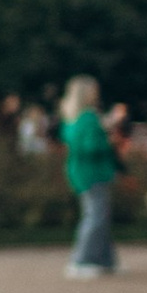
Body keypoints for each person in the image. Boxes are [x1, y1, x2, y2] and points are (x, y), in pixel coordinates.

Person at [60, 75, 121, 275]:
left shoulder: (71, 117)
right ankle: (82, 259)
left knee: (98, 216)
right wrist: (109, 140)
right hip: (93, 173)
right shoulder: (89, 117)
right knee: (95, 217)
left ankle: (105, 260)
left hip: (80, 172)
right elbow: (91, 147)